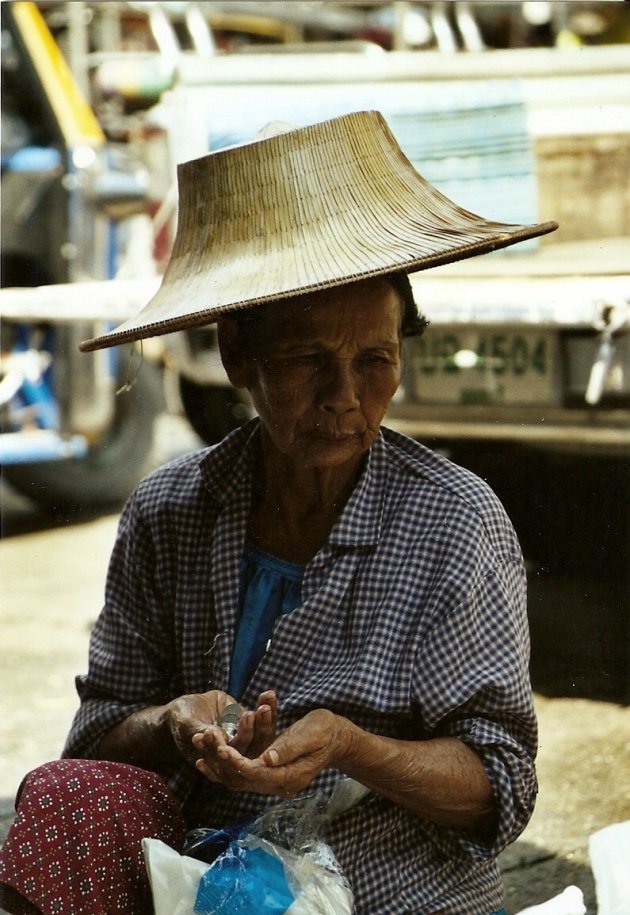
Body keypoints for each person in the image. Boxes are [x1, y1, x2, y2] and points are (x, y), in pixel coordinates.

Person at [0, 110, 557, 915]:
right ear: (236, 354)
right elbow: (95, 739)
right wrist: (172, 723)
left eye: (376, 361)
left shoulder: (454, 521)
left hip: (377, 887)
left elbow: (500, 788)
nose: (346, 398)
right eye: (308, 362)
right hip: (203, 878)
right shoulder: (173, 508)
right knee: (60, 797)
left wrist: (350, 746)